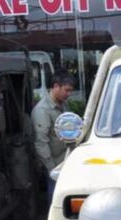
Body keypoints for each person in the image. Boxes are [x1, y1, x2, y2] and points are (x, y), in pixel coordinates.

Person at [31, 70, 75, 201]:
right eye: (67, 90)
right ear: (56, 86)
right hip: (55, 165)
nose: (69, 94)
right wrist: (52, 169)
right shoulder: (42, 110)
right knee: (57, 200)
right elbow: (40, 142)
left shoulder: (63, 104)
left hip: (65, 160)